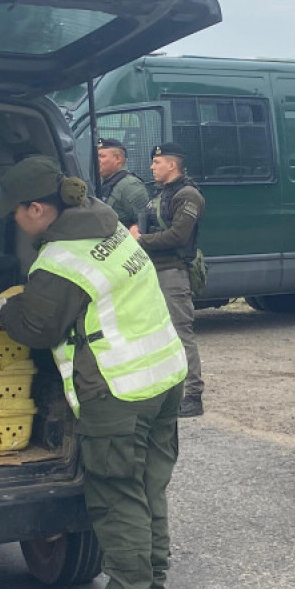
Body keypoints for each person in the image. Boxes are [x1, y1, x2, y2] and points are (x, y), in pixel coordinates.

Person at [0, 155, 185, 589]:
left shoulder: (62, 259)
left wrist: (3, 314)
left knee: (118, 503)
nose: (14, 222)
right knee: (149, 496)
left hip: (118, 392)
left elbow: (39, 326)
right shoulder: (107, 225)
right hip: (162, 377)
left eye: (15, 212)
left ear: (38, 208)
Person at [129, 143, 206, 417]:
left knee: (180, 332)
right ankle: (167, 392)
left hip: (173, 273)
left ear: (172, 165)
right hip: (154, 271)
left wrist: (140, 239)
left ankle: (193, 395)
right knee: (158, 334)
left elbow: (178, 236)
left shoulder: (188, 195)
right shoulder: (161, 195)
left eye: (157, 162)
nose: (152, 167)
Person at [94, 137, 150, 226]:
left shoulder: (130, 186)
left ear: (117, 159)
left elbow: (143, 224)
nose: (97, 160)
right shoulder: (106, 184)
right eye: (97, 156)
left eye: (102, 156)